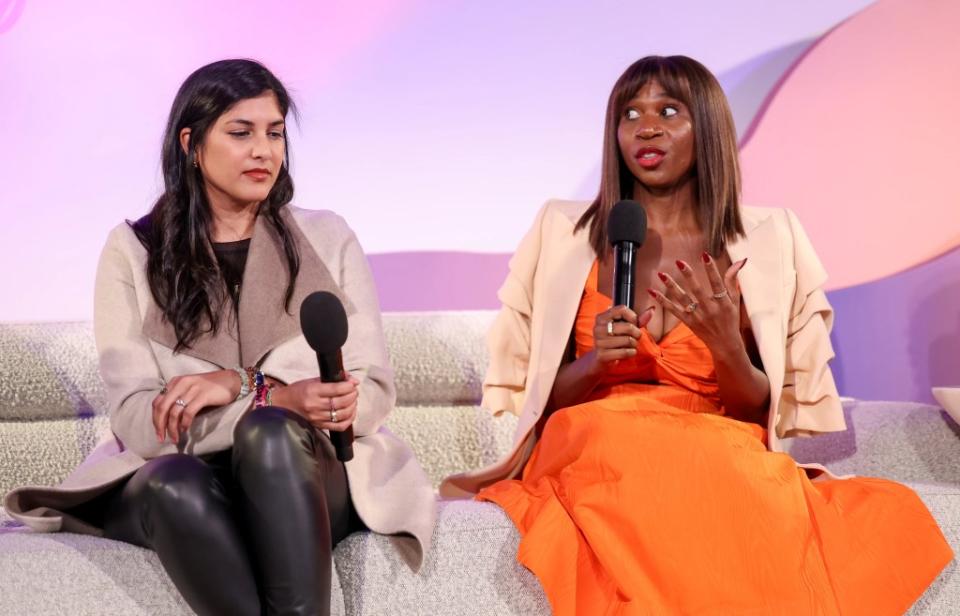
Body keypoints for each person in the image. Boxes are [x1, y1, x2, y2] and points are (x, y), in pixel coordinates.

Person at [440, 55, 952, 615]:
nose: (646, 127)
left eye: (668, 110)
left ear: (705, 125)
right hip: (593, 436)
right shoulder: (564, 230)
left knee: (744, 473)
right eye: (629, 113)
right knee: (621, 444)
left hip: (716, 440)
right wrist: (596, 365)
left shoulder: (766, 236)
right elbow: (544, 402)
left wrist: (727, 346)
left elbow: (755, 411)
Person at [4, 58, 436, 616]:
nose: (264, 150)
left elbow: (372, 390)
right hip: (185, 475)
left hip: (304, 472)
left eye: (275, 133)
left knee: (273, 435)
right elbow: (139, 419)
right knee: (174, 481)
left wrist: (272, 395)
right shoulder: (133, 251)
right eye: (241, 132)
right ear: (191, 142)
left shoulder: (326, 237)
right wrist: (270, 394)